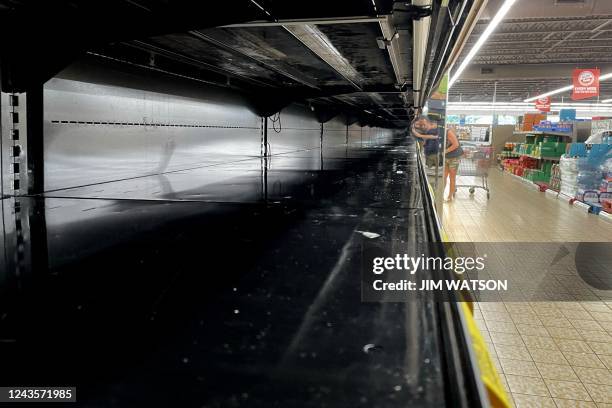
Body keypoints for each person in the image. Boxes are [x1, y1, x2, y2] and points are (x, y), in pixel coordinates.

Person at [411, 115, 463, 201]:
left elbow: (456, 145)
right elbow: (428, 137)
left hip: (454, 157)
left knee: (452, 177)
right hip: (446, 157)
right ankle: (441, 196)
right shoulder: (437, 133)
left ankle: (450, 197)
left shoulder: (448, 132)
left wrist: (444, 151)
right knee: (444, 177)